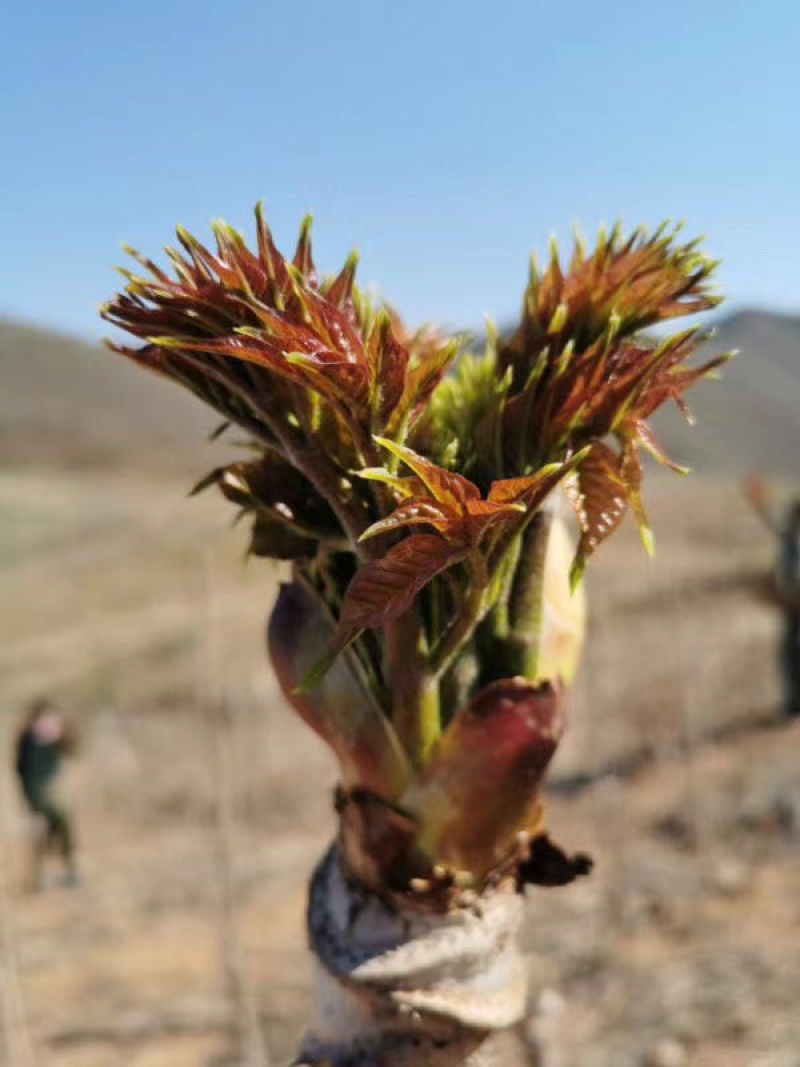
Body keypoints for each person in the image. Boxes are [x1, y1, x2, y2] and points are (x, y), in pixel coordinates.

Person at [744, 479, 800, 719]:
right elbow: (769, 517)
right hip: (791, 604)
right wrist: (758, 500)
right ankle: (792, 701)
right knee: (788, 650)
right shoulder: (787, 534)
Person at [14, 697, 79, 889]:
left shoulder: (55, 742)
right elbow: (24, 773)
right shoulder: (29, 744)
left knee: (58, 827)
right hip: (37, 797)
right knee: (50, 827)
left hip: (53, 796)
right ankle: (46, 875)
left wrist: (61, 734)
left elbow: (74, 750)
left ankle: (65, 871)